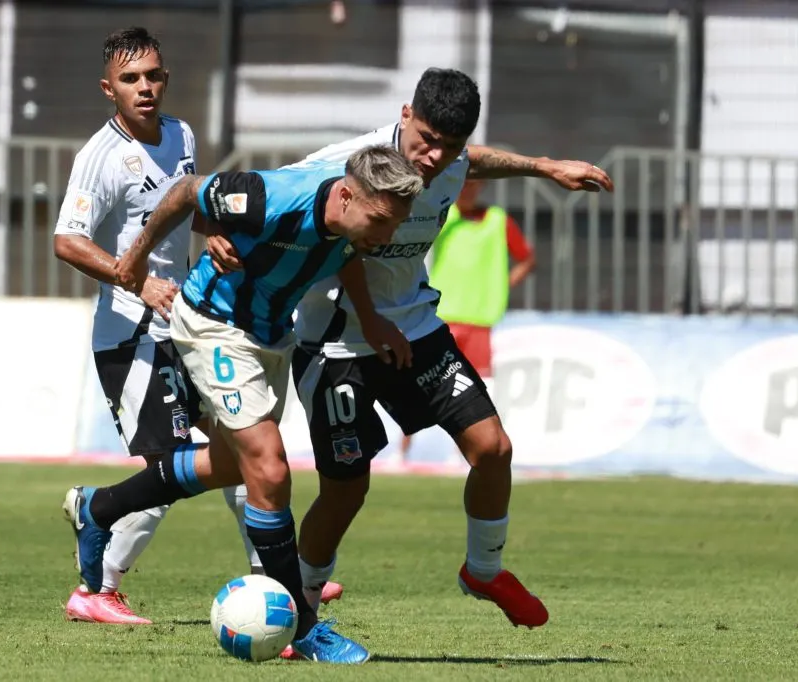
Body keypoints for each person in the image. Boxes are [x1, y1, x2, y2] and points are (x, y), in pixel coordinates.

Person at [206, 67, 612, 630]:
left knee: (493, 448)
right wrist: (221, 228)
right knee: (347, 490)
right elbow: (275, 193)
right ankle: (297, 610)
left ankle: (484, 569)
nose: (432, 158)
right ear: (404, 116)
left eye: (450, 146)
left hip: (415, 328)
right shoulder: (345, 165)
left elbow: (477, 161)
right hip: (336, 341)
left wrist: (545, 167)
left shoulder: (449, 161)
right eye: (425, 140)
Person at [65, 144, 424, 663]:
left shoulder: (356, 222)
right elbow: (187, 192)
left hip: (272, 336)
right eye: (382, 220)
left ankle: (99, 508)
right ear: (346, 195)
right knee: (270, 471)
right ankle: (300, 629)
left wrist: (368, 317)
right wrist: (137, 257)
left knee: (236, 465)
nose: (387, 235)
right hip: (213, 324)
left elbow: (346, 256)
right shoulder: (272, 198)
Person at [52, 27, 277, 625]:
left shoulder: (181, 134)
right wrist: (139, 282)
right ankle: (95, 587)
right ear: (109, 89)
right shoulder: (99, 158)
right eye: (130, 79)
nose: (144, 87)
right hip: (130, 336)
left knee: (240, 438)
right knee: (169, 467)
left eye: (152, 75)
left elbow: (181, 210)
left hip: (182, 323)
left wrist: (215, 233)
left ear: (166, 78)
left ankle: (274, 575)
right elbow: (66, 241)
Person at [398, 178, 536, 456]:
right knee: (420, 383)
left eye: (474, 185)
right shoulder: (443, 217)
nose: (468, 191)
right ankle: (403, 452)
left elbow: (526, 258)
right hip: (439, 316)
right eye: (464, 185)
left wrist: (502, 285)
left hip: (478, 318)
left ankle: (462, 453)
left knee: (475, 391)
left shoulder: (497, 220)